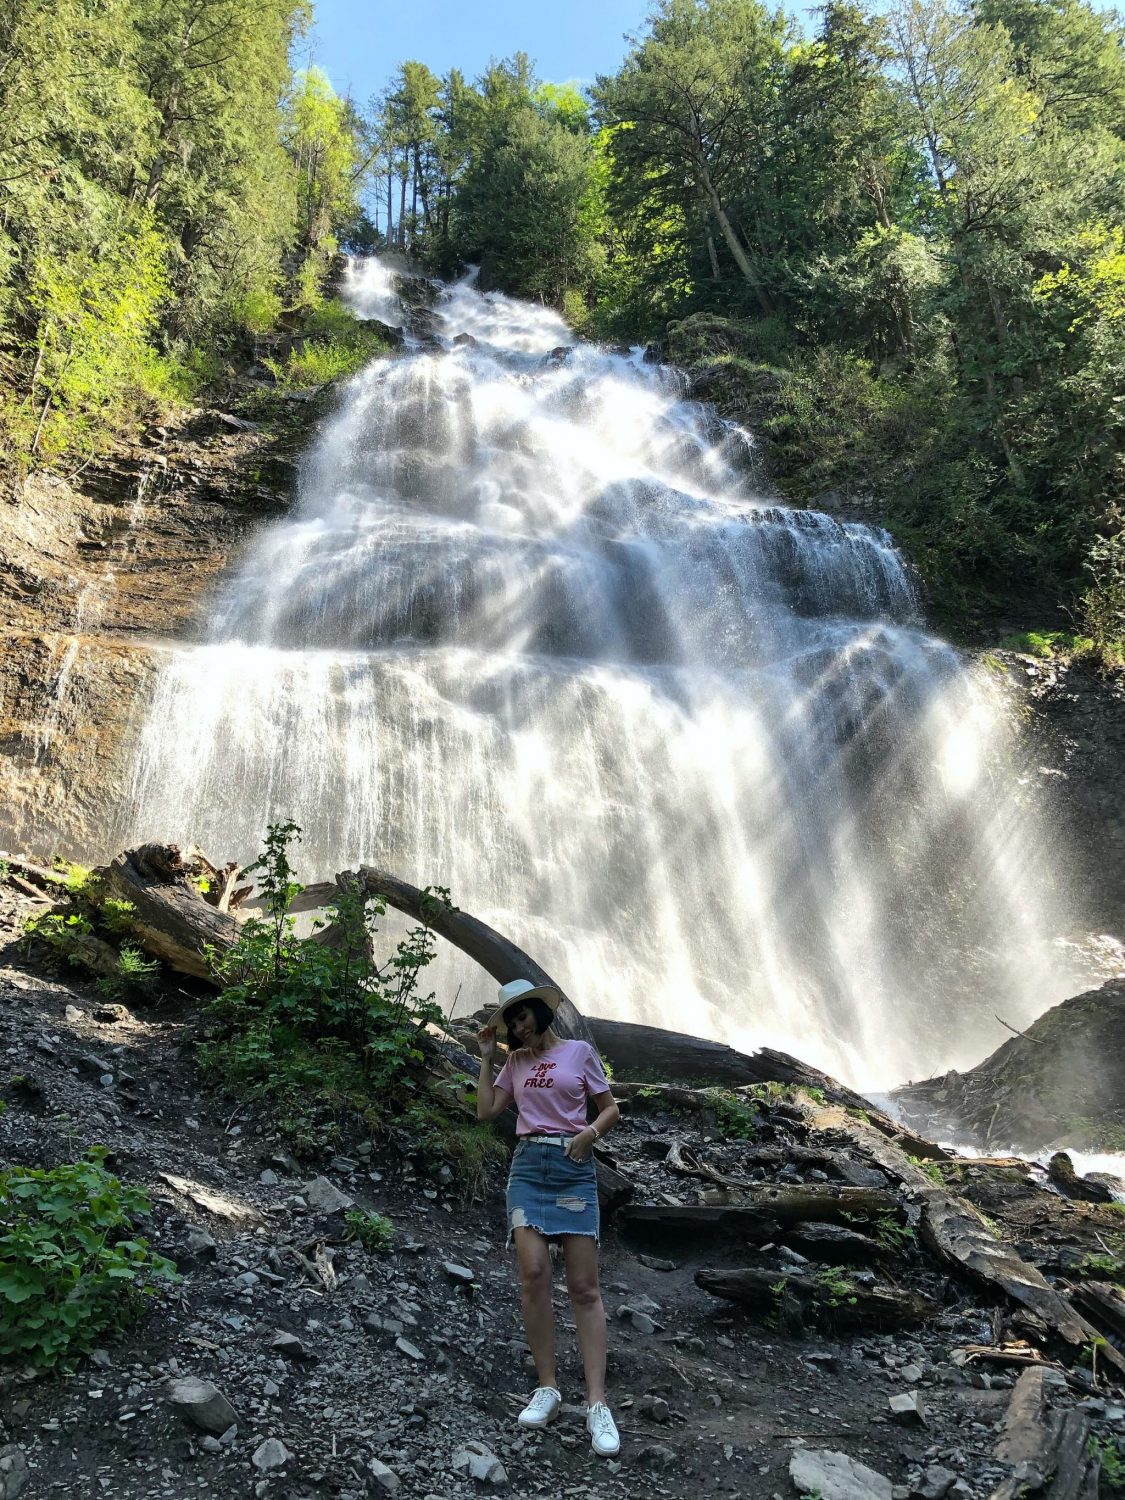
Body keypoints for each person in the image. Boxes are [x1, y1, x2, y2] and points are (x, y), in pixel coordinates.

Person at [476, 977, 622, 1457]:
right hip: (528, 1169)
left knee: (584, 1287)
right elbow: (485, 1111)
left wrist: (590, 1135)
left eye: (523, 1017)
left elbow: (610, 1110)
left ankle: (597, 1404)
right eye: (512, 1023)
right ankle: (548, 1388)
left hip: (574, 1169)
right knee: (533, 1275)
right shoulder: (514, 1062)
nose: (519, 1028)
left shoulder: (579, 1052)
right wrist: (486, 1056)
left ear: (541, 1012)